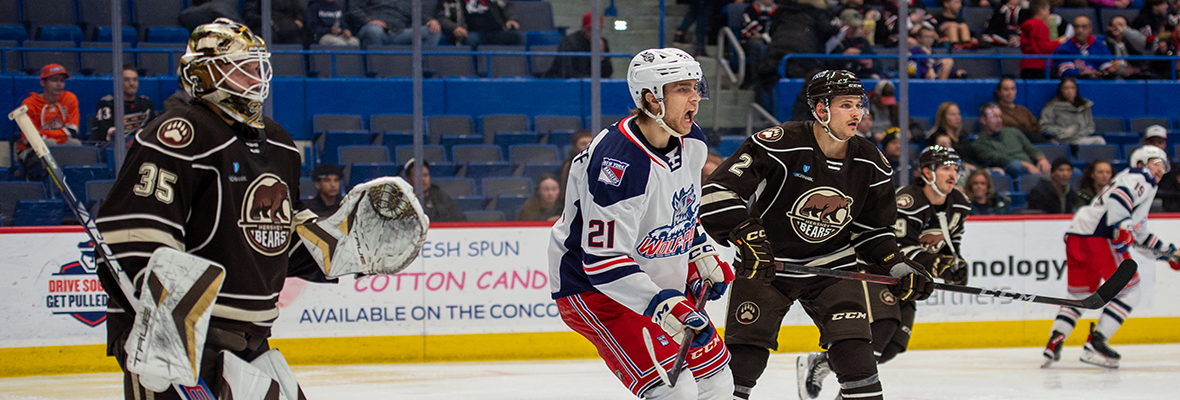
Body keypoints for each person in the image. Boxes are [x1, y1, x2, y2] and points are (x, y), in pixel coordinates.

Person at [95, 18, 335, 399]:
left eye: (258, 66)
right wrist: (162, 321)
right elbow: (132, 234)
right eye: (243, 68)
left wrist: (340, 246)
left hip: (251, 342)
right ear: (205, 76)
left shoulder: (279, 143)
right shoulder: (178, 134)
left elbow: (275, 239)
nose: (256, 77)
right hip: (180, 344)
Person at [699, 70, 934, 400]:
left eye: (859, 105)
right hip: (768, 266)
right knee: (744, 362)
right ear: (821, 109)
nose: (857, 113)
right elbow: (717, 192)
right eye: (846, 105)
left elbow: (873, 231)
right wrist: (746, 236)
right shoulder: (777, 144)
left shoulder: (871, 162)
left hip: (832, 267)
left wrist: (897, 267)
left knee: (857, 358)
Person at [549, 48, 735, 400]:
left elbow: (682, 212)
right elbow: (602, 263)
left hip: (651, 283)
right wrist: (665, 306)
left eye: (695, 87)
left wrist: (701, 254)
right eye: (682, 89)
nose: (695, 97)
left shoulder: (692, 141)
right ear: (651, 99)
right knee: (674, 391)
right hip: (594, 290)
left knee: (716, 382)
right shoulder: (618, 165)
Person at [797, 146, 969, 400]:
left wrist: (954, 264)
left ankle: (822, 363)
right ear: (926, 172)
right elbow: (897, 247)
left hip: (911, 276)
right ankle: (853, 394)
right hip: (877, 269)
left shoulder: (959, 203)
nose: (952, 174)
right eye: (945, 168)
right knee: (883, 326)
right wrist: (936, 265)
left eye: (955, 168)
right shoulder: (907, 202)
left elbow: (951, 244)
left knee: (895, 344)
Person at [1042, 145, 1180, 369]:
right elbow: (1120, 198)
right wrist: (1123, 226)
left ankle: (1055, 339)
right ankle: (1095, 344)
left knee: (1079, 296)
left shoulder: (1137, 185)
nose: (1160, 169)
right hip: (1100, 237)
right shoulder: (1141, 177)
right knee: (1131, 291)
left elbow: (1140, 237)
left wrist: (1169, 253)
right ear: (1141, 163)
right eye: (1156, 162)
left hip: (1078, 236)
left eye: (1164, 165)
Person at [15, 63, 80, 181]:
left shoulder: (70, 99)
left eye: (62, 80)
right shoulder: (29, 104)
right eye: (54, 80)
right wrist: (58, 136)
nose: (59, 84)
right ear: (43, 82)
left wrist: (45, 135)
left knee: (75, 144)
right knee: (49, 145)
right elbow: (30, 139)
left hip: (56, 145)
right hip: (31, 150)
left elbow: (72, 130)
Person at [973, 102, 1052, 177]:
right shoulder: (978, 143)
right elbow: (1000, 159)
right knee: (1016, 166)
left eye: (1000, 116)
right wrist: (1026, 165)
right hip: (1008, 169)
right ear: (983, 120)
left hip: (1031, 166)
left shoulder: (1014, 131)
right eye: (994, 117)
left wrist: (1042, 159)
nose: (999, 120)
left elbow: (1030, 148)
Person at [93, 64, 157, 143]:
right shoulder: (107, 103)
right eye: (126, 80)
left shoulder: (146, 103)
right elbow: (104, 131)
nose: (131, 83)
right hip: (114, 148)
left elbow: (153, 128)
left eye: (135, 80)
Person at [544, 12, 613, 79]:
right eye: (590, 29)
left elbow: (607, 73)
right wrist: (590, 80)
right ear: (583, 28)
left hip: (589, 83)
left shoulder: (602, 43)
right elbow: (566, 71)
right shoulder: (569, 42)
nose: (594, 33)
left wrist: (602, 57)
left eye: (598, 29)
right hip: (566, 83)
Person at [348, 0, 442, 48]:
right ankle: (377, 74)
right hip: (376, 28)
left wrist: (431, 21)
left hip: (399, 32)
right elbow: (354, 9)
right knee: (374, 31)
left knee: (433, 31)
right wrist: (369, 20)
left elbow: (419, 14)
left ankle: (421, 73)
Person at [430, 0, 523, 48]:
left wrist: (511, 19)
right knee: (472, 40)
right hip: (469, 32)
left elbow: (506, 6)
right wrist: (454, 27)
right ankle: (476, 74)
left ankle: (515, 73)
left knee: (518, 37)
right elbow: (440, 17)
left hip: (495, 31)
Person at [1040, 77, 1103, 145]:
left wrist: (1078, 133)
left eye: (1072, 88)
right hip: (1061, 141)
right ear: (1061, 90)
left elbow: (1090, 126)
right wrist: (1064, 132)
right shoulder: (1052, 107)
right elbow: (1044, 127)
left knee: (1099, 141)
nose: (1070, 91)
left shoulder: (1084, 106)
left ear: (1076, 90)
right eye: (1066, 88)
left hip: (1081, 140)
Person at [1053, 16, 1120, 79]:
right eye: (1077, 27)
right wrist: (1083, 73)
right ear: (1073, 28)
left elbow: (1105, 66)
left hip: (1098, 84)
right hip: (1075, 84)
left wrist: (1109, 69)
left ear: (1090, 29)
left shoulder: (1100, 45)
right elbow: (1065, 72)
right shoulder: (1065, 47)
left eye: (1084, 27)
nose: (1080, 30)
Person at [1020, 0, 1068, 79]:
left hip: (1025, 65)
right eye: (1047, 10)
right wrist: (1059, 41)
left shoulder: (1026, 25)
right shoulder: (1041, 26)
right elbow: (1044, 47)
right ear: (1041, 10)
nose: (1048, 13)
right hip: (1039, 66)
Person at [994, 77, 1044, 144]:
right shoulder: (994, 110)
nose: (1010, 93)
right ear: (999, 92)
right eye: (1006, 89)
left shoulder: (1023, 110)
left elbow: (1036, 129)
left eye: (1013, 89)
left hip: (1031, 144)